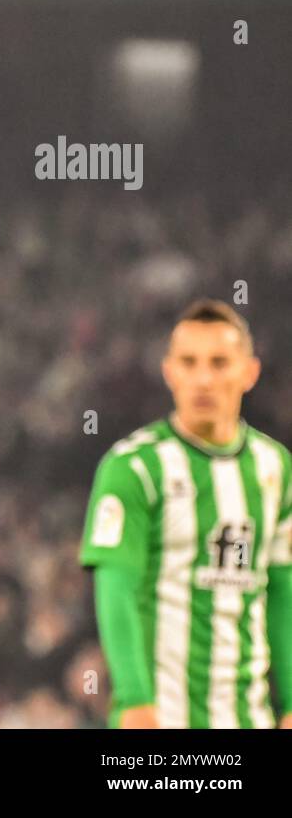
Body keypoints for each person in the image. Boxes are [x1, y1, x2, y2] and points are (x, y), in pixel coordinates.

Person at [81, 299, 292, 728]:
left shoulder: (277, 468)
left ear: (249, 372)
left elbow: (284, 593)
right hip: (159, 718)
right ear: (169, 371)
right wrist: (137, 701)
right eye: (189, 362)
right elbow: (115, 589)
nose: (203, 378)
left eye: (219, 362)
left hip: (248, 719)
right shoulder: (134, 467)